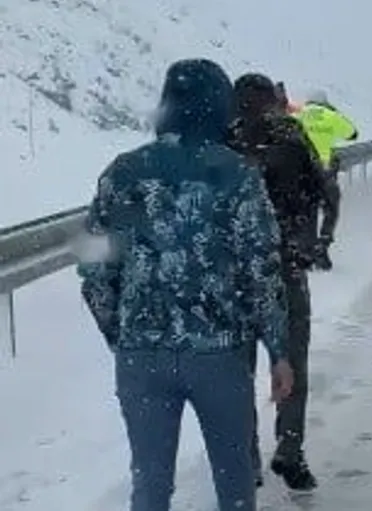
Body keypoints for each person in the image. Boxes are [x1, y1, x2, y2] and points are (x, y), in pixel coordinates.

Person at [76, 58, 294, 511]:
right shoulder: (238, 174)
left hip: (142, 356)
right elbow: (261, 268)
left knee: (150, 484)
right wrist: (278, 349)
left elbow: (93, 264)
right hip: (220, 354)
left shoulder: (121, 172)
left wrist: (122, 332)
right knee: (234, 479)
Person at [228, 73, 326, 492]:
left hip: (233, 274)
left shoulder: (223, 141)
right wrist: (311, 242)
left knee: (236, 372)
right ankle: (289, 447)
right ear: (273, 99)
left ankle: (245, 458)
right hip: (285, 268)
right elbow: (322, 189)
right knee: (291, 362)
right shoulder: (292, 134)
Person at [294, 89, 358, 270]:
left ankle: (307, 250)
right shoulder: (330, 115)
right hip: (325, 171)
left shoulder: (299, 116)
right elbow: (352, 134)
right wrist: (333, 114)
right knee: (331, 209)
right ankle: (323, 243)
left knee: (308, 210)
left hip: (303, 172)